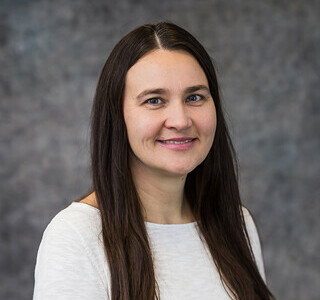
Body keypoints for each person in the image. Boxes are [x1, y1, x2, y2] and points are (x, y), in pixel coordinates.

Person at [32, 21, 275, 300]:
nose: (181, 121)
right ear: (118, 117)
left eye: (194, 97)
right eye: (154, 101)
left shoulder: (236, 222)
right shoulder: (76, 237)